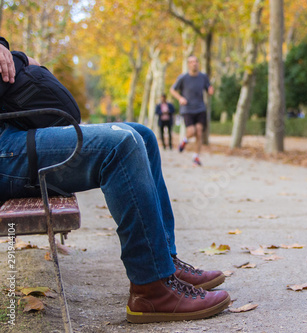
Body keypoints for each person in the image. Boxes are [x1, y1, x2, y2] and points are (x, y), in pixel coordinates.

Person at [0, 37, 230, 323]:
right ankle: (151, 288)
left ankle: (163, 262)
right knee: (121, 145)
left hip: (14, 127)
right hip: (4, 148)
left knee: (142, 136)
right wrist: (17, 58)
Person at [170, 55, 213, 166]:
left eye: (196, 61)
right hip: (187, 109)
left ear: (198, 63)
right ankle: (185, 140)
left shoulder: (203, 77)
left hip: (200, 108)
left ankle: (196, 157)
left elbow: (208, 88)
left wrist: (210, 90)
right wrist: (180, 98)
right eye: (192, 62)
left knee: (199, 132)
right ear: (188, 64)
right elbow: (172, 90)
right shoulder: (183, 78)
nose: (194, 63)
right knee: (191, 131)